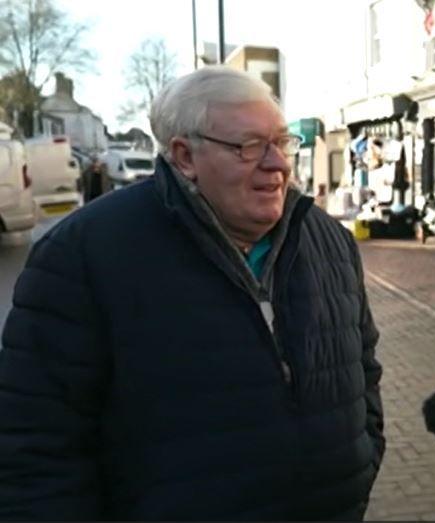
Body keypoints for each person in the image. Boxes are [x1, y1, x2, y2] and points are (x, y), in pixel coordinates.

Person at [0, 66, 384, 520]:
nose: (278, 164)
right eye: (249, 147)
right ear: (184, 156)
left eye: (281, 143)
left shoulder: (330, 241)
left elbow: (365, 378)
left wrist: (359, 464)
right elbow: (35, 449)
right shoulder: (83, 255)